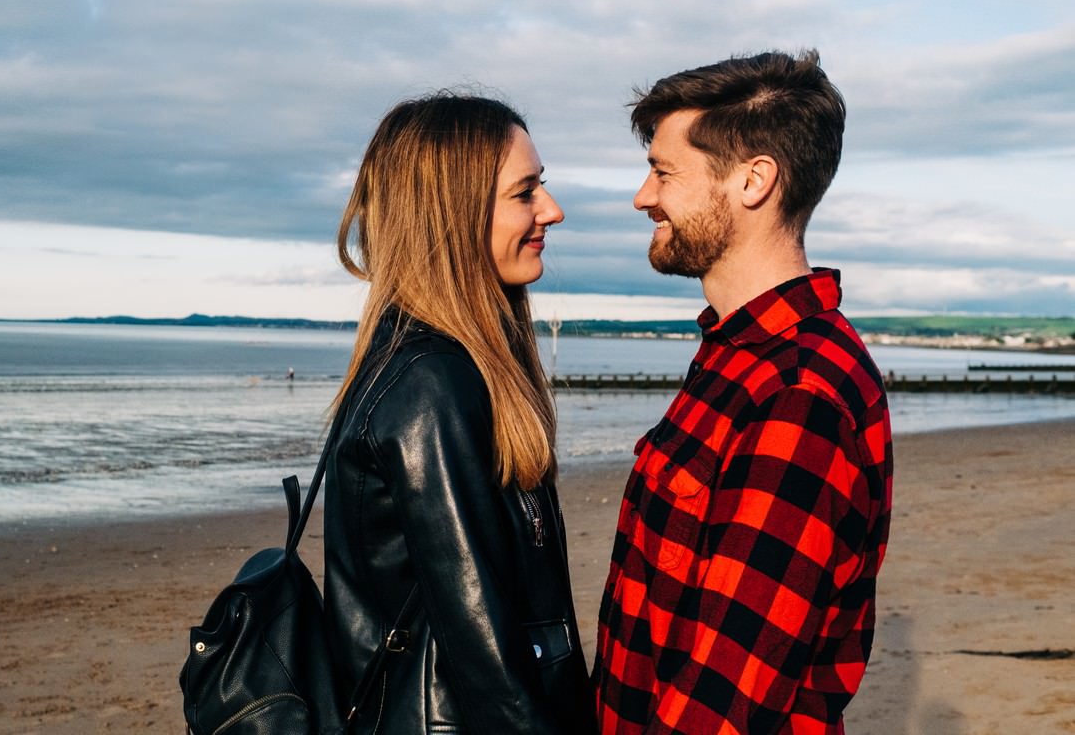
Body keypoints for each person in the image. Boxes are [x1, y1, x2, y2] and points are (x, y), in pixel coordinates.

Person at [595, 51, 893, 734]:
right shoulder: (737, 358)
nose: (644, 197)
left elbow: (723, 702)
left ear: (754, 180)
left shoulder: (798, 394)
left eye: (664, 172)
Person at [324, 92, 597, 733]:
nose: (551, 211)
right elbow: (489, 658)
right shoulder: (431, 385)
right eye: (525, 192)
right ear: (453, 213)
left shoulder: (449, 367)